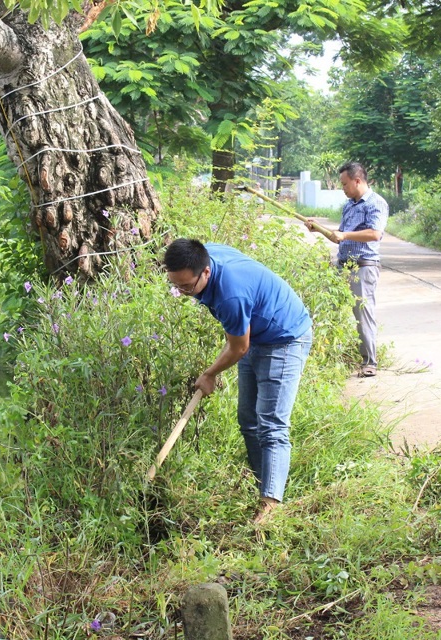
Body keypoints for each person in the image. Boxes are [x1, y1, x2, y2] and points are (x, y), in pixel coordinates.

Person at [163, 239, 313, 524]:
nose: (182, 293)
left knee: (271, 423)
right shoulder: (203, 255)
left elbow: (238, 348)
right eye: (175, 285)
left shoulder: (231, 296)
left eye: (186, 287)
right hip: (255, 333)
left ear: (205, 272)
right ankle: (263, 484)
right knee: (248, 419)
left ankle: (271, 504)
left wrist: (209, 374)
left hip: (285, 338)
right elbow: (240, 343)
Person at [311, 161, 388, 378]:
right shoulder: (349, 205)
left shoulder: (376, 203)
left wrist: (344, 235)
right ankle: (328, 358)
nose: (342, 188)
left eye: (345, 184)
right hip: (342, 266)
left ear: (357, 180)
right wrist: (318, 229)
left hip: (364, 267)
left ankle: (369, 362)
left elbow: (374, 234)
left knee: (363, 315)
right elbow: (340, 236)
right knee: (326, 309)